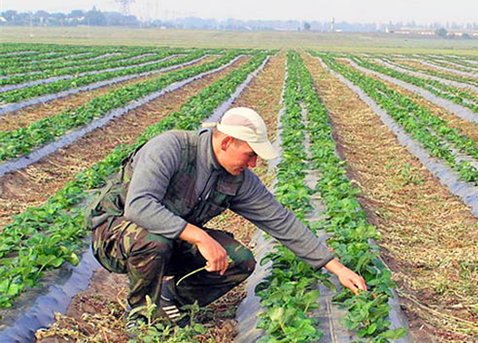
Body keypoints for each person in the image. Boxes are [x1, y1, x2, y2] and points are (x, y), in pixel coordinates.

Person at [87, 107, 367, 331]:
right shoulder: (171, 148)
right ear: (226, 142)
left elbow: (280, 220)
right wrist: (201, 237)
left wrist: (335, 267)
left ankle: (170, 296)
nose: (253, 164)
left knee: (239, 259)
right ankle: (140, 316)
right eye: (250, 154)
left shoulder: (239, 179)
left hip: (168, 239)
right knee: (155, 239)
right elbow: (139, 207)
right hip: (116, 235)